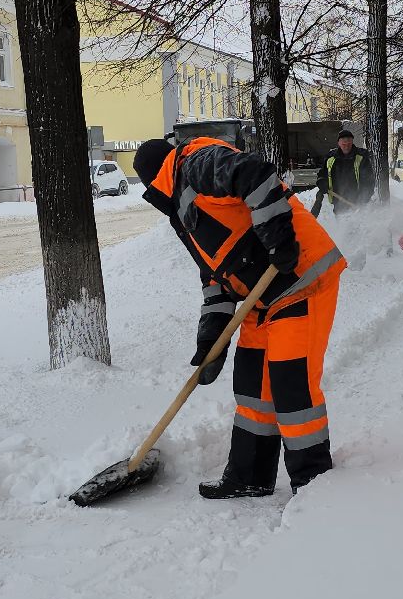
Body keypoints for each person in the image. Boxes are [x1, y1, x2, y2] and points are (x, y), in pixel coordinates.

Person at [133, 135, 346, 499]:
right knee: (252, 387)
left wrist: (279, 240)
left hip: (301, 278)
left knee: (290, 385)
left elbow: (255, 175)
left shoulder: (196, 164)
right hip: (262, 299)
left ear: (155, 181)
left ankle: (314, 487)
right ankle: (250, 475)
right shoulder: (183, 210)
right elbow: (215, 276)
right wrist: (211, 339)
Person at [318, 129, 377, 214]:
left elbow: (369, 180)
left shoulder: (361, 157)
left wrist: (363, 199)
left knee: (358, 226)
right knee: (341, 224)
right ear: (338, 143)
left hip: (357, 203)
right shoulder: (331, 158)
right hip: (338, 201)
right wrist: (322, 181)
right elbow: (323, 173)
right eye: (343, 144)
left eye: (349, 143)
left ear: (352, 142)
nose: (346, 146)